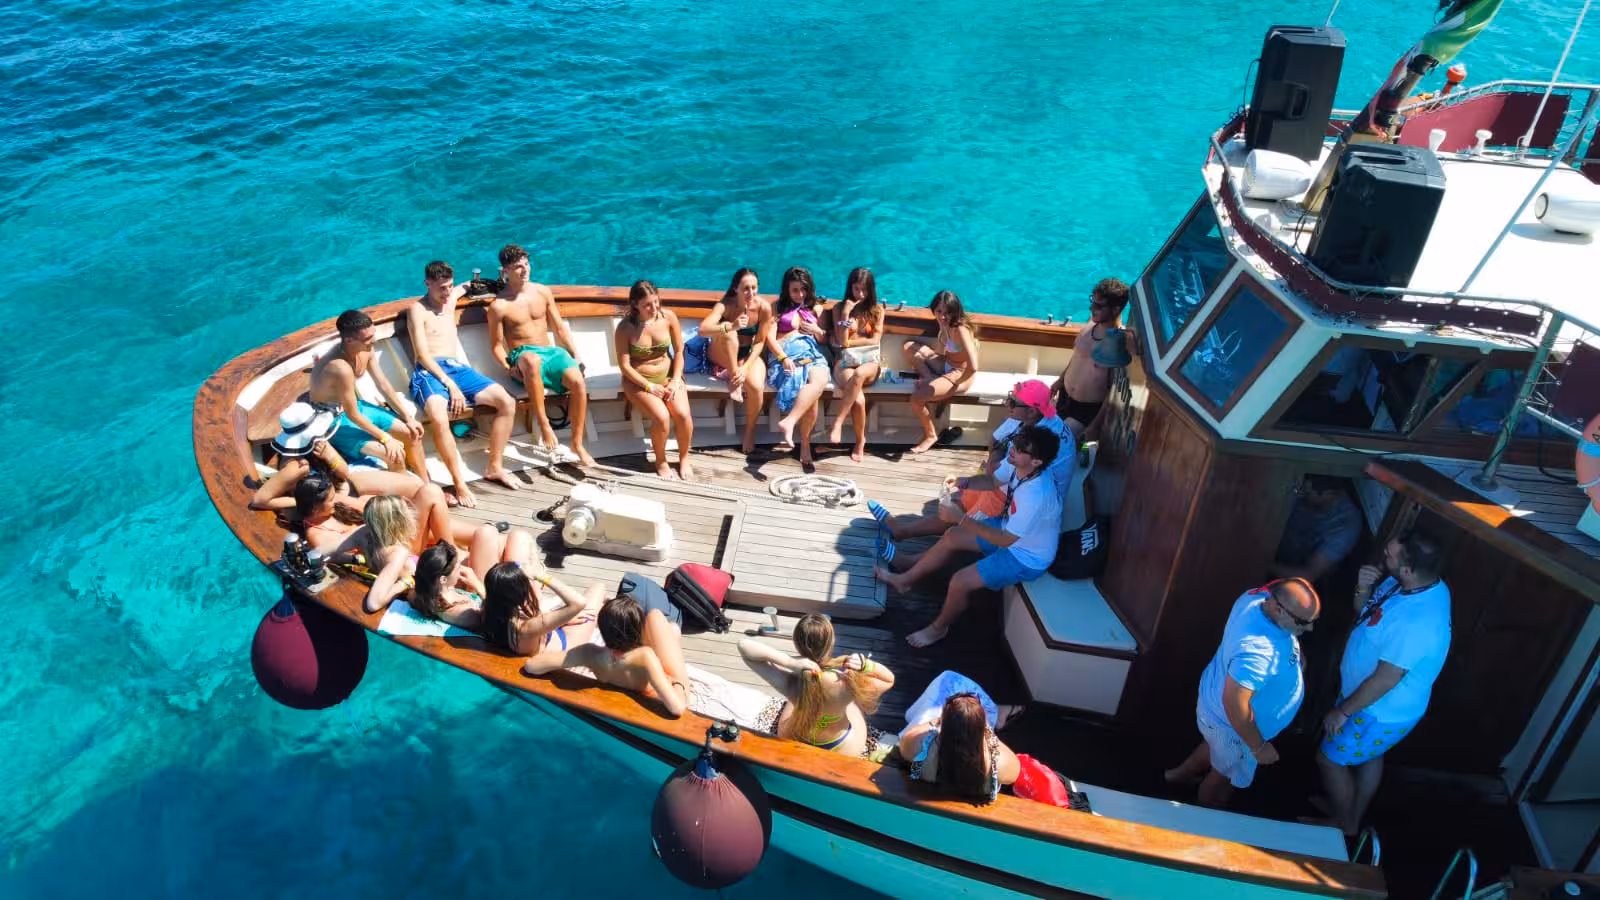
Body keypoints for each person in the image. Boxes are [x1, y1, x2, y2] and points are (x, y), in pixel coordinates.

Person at [1315, 531, 1452, 836]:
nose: (1383, 558)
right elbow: (1366, 615)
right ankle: (1350, 808)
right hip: (1371, 704)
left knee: (1328, 761)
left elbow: (1387, 678)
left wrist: (1343, 711)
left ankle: (1345, 824)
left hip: (1378, 711)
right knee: (1371, 756)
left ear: (1407, 569)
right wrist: (1363, 586)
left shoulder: (1418, 622)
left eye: (1389, 556)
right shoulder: (1411, 583)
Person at [877, 424, 1063, 648]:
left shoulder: (1036, 495)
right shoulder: (1018, 464)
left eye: (1022, 448)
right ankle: (905, 580)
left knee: (960, 581)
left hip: (1026, 555)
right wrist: (964, 481)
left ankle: (938, 629)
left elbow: (1005, 541)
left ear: (1036, 462)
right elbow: (993, 481)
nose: (1013, 448)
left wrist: (961, 518)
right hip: (1010, 530)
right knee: (953, 535)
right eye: (1016, 442)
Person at [1163, 578, 1320, 808]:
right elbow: (1235, 703)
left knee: (1218, 748)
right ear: (1277, 608)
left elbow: (1282, 586)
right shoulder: (1257, 652)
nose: (1310, 629)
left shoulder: (1255, 598)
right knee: (1221, 780)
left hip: (1218, 720)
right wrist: (1259, 747)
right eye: (1303, 623)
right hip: (1235, 728)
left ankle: (1177, 776)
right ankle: (1207, 818)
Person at [872, 380, 1074, 541]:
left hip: (1023, 501)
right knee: (963, 497)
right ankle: (903, 531)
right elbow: (994, 443)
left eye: (1013, 402)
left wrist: (992, 465)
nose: (1007, 404)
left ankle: (909, 539)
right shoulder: (1030, 417)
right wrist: (986, 468)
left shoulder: (1040, 438)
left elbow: (997, 472)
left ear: (1031, 411)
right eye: (1010, 398)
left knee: (957, 525)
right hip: (1008, 480)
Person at [406, 260, 521, 507]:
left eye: (449, 286)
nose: (447, 293)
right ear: (427, 284)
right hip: (429, 371)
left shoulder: (451, 298)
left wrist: (500, 281)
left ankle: (494, 467)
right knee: (438, 415)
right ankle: (459, 482)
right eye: (441, 288)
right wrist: (451, 386)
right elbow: (422, 356)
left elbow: (469, 285)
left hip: (457, 368)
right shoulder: (418, 310)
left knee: (507, 402)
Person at [487, 244, 594, 466]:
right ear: (505, 270)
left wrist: (576, 356)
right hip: (523, 356)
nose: (525, 270)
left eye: (526, 264)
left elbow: (559, 328)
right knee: (532, 361)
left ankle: (577, 443)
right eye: (518, 267)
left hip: (552, 353)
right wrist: (508, 367)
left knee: (578, 382)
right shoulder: (499, 306)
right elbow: (496, 345)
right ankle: (544, 424)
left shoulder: (542, 291)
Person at [738, 613, 896, 757]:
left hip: (794, 739)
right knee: (852, 706)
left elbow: (744, 646)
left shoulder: (793, 681)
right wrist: (865, 665)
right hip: (842, 746)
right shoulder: (849, 682)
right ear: (832, 642)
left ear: (796, 644)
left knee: (794, 705)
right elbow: (888, 680)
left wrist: (789, 661)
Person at [250, 402, 436, 520]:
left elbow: (345, 473)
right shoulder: (294, 467)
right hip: (333, 502)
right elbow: (259, 500)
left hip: (346, 485)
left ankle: (417, 505)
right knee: (400, 507)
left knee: (416, 487)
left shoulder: (319, 444)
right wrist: (300, 504)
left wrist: (330, 458)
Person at [522, 591, 692, 717]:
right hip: (653, 687)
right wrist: (679, 683)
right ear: (636, 630)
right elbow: (677, 708)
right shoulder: (644, 656)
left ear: (602, 630)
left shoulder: (589, 653)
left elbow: (532, 666)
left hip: (613, 672)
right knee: (657, 617)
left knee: (668, 629)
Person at [308, 309, 426, 478]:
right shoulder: (339, 367)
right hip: (332, 421)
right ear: (349, 340)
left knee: (412, 433)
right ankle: (404, 495)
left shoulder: (366, 349)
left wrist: (408, 417)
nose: (374, 340)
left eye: (373, 334)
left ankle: (425, 485)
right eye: (367, 339)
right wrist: (385, 438)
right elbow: (352, 414)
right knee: (393, 453)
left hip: (355, 407)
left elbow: (383, 384)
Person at [614, 279, 694, 480]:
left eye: (656, 302)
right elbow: (624, 366)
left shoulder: (669, 318)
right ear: (635, 305)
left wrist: (676, 380)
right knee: (662, 417)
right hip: (639, 382)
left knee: (683, 414)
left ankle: (684, 457)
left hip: (668, 377)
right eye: (647, 305)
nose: (654, 308)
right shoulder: (625, 328)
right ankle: (661, 460)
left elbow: (679, 351)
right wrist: (650, 386)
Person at [698, 268, 774, 454]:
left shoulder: (763, 308)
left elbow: (760, 342)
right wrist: (730, 326)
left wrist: (746, 367)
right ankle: (734, 378)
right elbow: (703, 330)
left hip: (746, 355)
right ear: (736, 289)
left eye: (754, 288)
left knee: (756, 387)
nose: (751, 293)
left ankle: (750, 430)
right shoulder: (726, 305)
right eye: (746, 288)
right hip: (720, 353)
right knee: (731, 334)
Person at [898, 693, 1022, 804]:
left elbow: (905, 742)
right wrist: (987, 731)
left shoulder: (919, 746)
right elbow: (1014, 773)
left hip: (928, 794)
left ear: (944, 724)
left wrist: (937, 721)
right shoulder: (998, 763)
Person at [766, 266, 832, 468]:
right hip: (786, 355)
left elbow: (825, 339)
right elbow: (769, 336)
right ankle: (805, 444)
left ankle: (790, 421)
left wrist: (816, 329)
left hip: (812, 355)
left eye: (804, 289)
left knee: (818, 381)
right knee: (811, 396)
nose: (800, 294)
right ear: (787, 289)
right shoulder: (777, 307)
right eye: (795, 290)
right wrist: (783, 356)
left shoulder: (816, 309)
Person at [1049, 278, 1130, 438]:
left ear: (1116, 309)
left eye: (1099, 306)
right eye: (1092, 302)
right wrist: (1060, 381)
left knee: (1056, 441)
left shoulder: (1119, 344)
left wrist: (1095, 426)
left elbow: (1112, 393)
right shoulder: (1089, 324)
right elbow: (1076, 357)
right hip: (1064, 397)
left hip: (1085, 410)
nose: (1092, 308)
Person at [903, 291, 978, 454]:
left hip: (959, 374)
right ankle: (929, 378)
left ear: (955, 311)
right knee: (909, 346)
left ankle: (931, 435)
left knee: (916, 398)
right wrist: (930, 361)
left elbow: (974, 366)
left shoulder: (960, 330)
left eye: (947, 313)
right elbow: (943, 351)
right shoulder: (945, 325)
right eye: (939, 312)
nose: (943, 317)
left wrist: (957, 382)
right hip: (947, 364)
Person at [480, 562, 605, 655]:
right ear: (521, 591)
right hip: (565, 644)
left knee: (575, 610)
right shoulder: (527, 627)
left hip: (546, 633)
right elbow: (578, 603)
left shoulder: (488, 610)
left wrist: (563, 620)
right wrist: (541, 575)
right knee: (598, 588)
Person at [827, 267, 885, 463]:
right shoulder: (838, 309)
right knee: (858, 400)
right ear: (850, 286)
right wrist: (845, 313)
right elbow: (840, 340)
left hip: (869, 364)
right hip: (844, 363)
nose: (860, 294)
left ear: (871, 290)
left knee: (860, 374)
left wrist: (850, 342)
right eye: (856, 288)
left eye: (864, 290)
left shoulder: (876, 310)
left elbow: (875, 340)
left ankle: (838, 422)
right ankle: (861, 441)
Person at [1269, 475, 1364, 585]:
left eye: (1307, 492)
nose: (1301, 493)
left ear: (1329, 494)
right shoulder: (1304, 490)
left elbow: (1308, 575)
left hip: (1293, 577)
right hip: (1276, 550)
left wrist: (1263, 564)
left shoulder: (1346, 525)